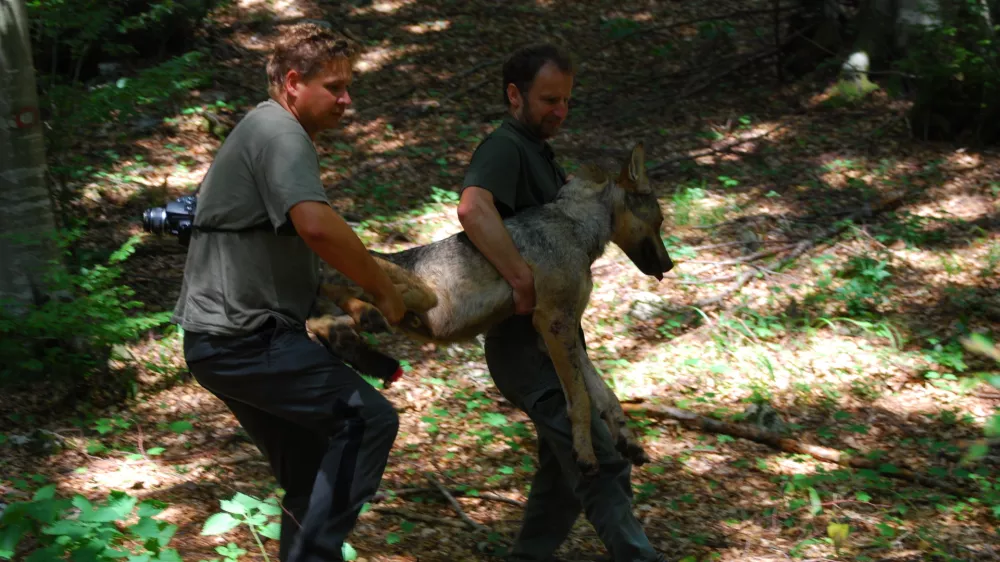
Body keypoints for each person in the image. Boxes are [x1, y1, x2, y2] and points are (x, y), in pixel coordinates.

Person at [171, 23, 405, 562]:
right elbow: (316, 225)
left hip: (223, 342)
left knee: (310, 469)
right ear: (294, 82)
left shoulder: (266, 128)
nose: (347, 100)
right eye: (335, 87)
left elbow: (282, 242)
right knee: (369, 419)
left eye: (349, 86)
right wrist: (381, 287)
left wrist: (335, 297)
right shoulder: (280, 133)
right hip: (245, 342)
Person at [457, 44, 665, 562]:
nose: (560, 111)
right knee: (604, 459)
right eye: (550, 99)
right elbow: (472, 207)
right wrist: (519, 279)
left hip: (552, 343)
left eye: (567, 100)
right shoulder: (504, 147)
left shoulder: (537, 151)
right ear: (514, 95)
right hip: (526, 348)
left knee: (563, 467)